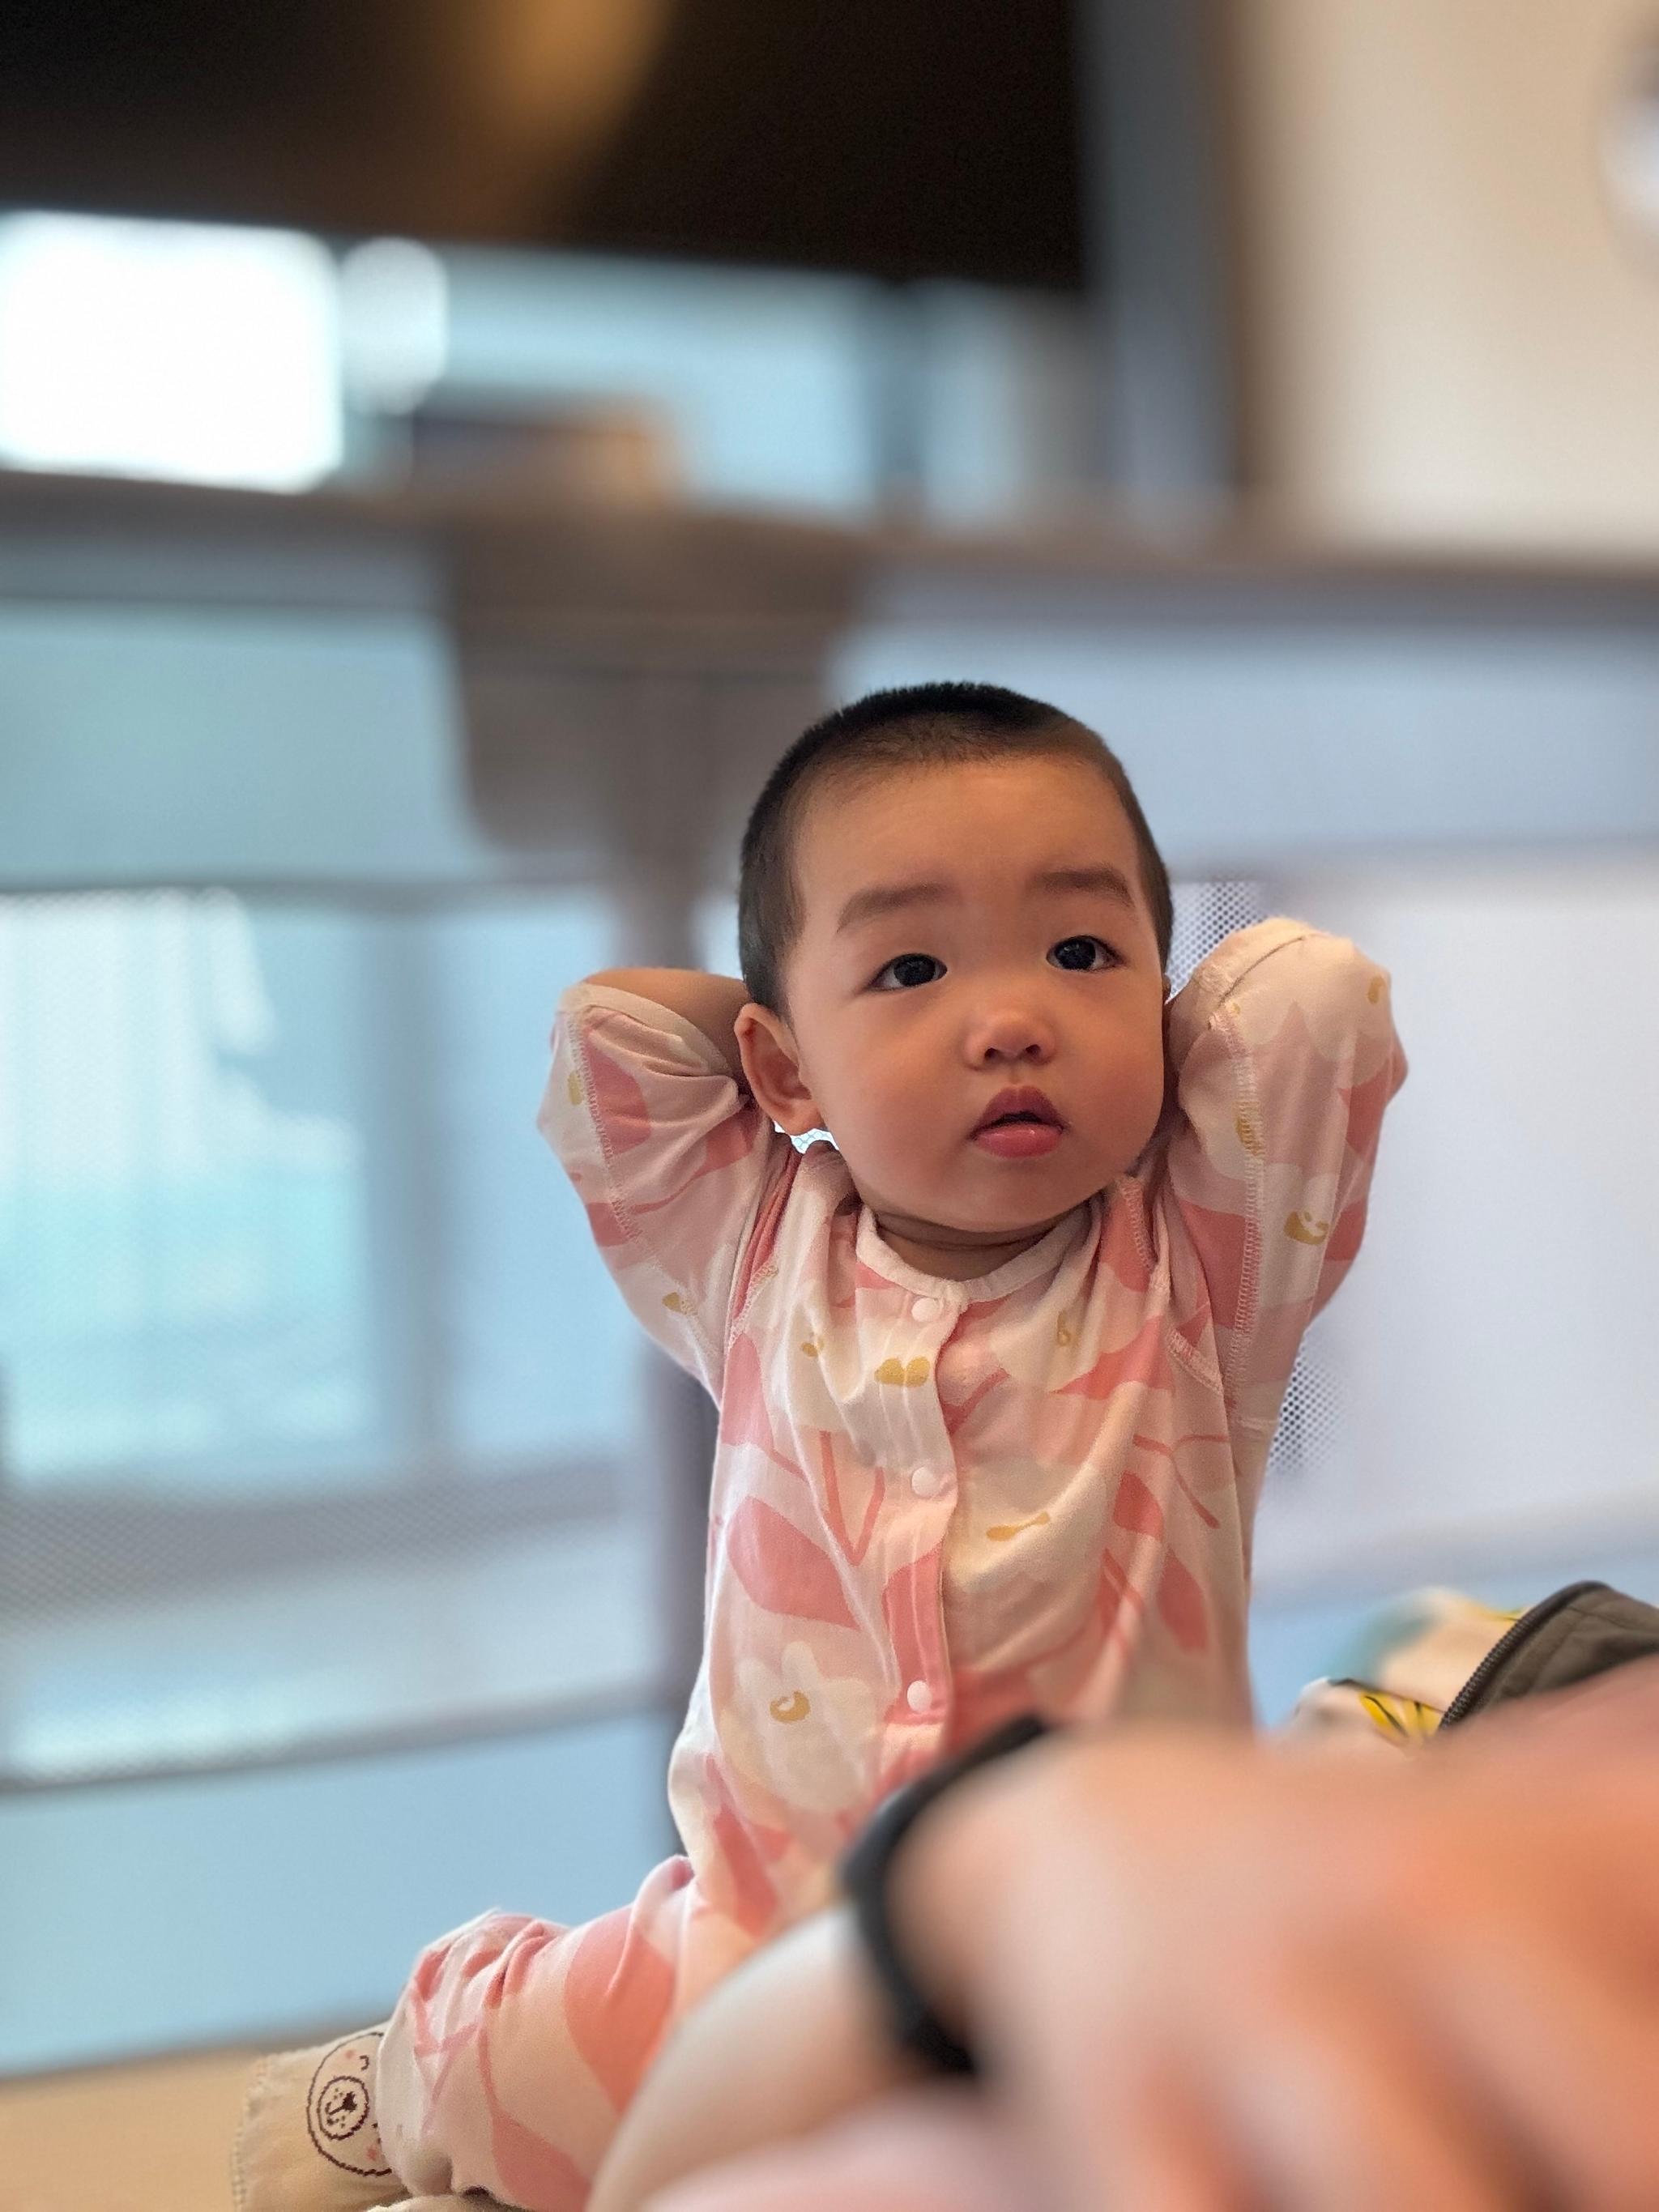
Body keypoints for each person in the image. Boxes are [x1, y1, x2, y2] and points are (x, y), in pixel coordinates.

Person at [234, 680, 1407, 2210]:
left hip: (1110, 1917)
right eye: (914, 966)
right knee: (580, 2085)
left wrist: (1070, 1037)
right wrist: (796, 1032)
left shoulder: (1197, 1264)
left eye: (1080, 951)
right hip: (777, 1930)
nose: (1011, 1021)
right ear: (783, 1077)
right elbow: (615, 1047)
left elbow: (1315, 997)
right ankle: (412, 2066)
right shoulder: (753, 1251)